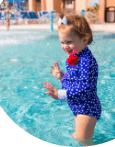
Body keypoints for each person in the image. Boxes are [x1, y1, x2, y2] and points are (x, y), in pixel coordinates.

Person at [44, 13, 102, 147]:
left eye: (69, 42)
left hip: (87, 108)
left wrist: (60, 94)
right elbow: (74, 81)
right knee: (78, 136)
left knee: (84, 140)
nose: (65, 46)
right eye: (62, 42)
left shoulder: (86, 61)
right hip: (77, 106)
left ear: (85, 39)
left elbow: (84, 88)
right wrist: (62, 76)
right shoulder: (75, 57)